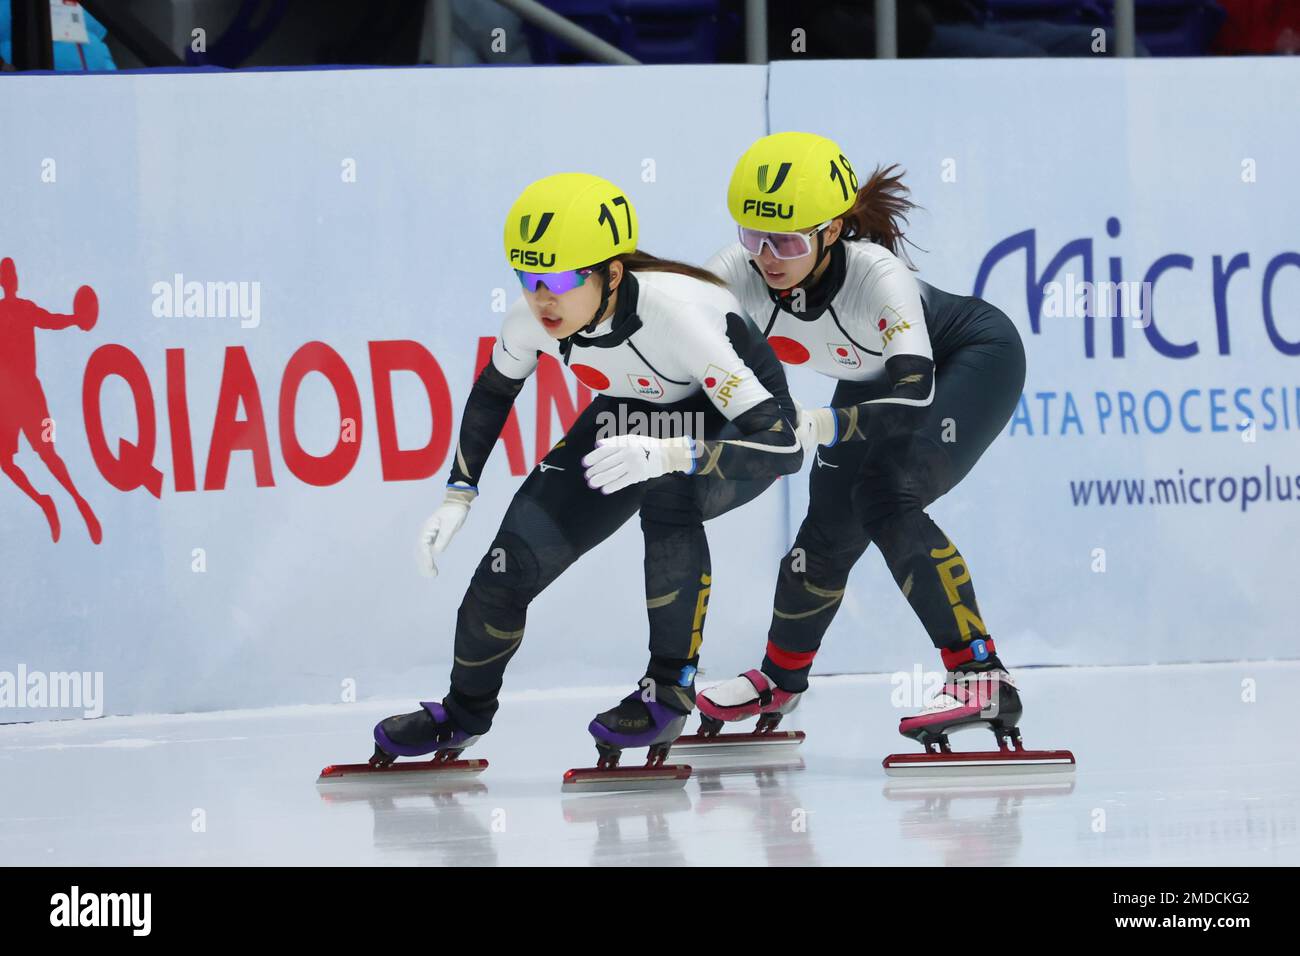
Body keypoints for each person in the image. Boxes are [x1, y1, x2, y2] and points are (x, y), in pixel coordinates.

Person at [370, 172, 803, 768]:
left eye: (560, 279)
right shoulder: (531, 320)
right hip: (630, 414)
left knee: (669, 495)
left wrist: (672, 453)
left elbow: (783, 445)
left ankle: (668, 690)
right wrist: (458, 496)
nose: (542, 299)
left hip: (727, 423)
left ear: (612, 273)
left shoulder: (679, 320)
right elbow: (494, 392)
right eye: (528, 278)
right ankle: (464, 712)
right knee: (507, 567)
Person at [698, 132, 1028, 750]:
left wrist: (818, 423)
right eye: (753, 236)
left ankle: (983, 676)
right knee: (826, 527)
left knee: (884, 494)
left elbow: (909, 393)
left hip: (966, 362)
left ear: (832, 232)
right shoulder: (735, 271)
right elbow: (677, 343)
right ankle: (781, 677)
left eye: (789, 241)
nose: (768, 258)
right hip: (868, 378)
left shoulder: (876, 275)